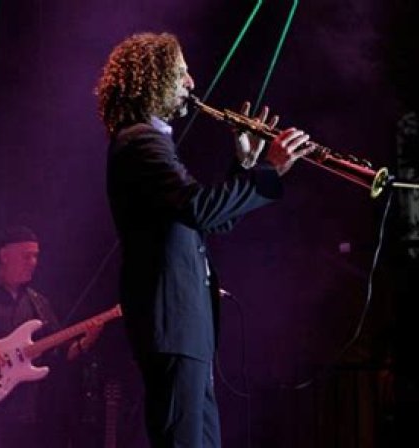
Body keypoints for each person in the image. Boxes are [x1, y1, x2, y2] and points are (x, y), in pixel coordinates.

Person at [96, 32, 314, 447]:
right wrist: (269, 171)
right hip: (172, 324)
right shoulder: (140, 141)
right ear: (156, 79)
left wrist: (245, 165)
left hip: (187, 327)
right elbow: (200, 208)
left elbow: (208, 222)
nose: (192, 83)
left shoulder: (150, 140)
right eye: (181, 73)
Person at [0, 225, 103, 448]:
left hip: (23, 413)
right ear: (4, 256)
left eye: (36, 256)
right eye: (26, 256)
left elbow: (58, 352)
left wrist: (86, 342)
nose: (33, 262)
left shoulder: (38, 303)